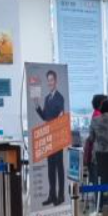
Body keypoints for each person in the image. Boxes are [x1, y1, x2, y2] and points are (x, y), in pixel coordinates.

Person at [35, 69, 66, 206]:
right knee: (50, 167)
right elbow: (45, 117)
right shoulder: (47, 98)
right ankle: (52, 195)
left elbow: (60, 118)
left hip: (57, 137)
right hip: (49, 137)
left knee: (59, 167)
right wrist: (37, 106)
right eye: (48, 80)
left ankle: (61, 196)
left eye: (52, 80)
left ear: (56, 81)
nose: (50, 82)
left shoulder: (60, 98)